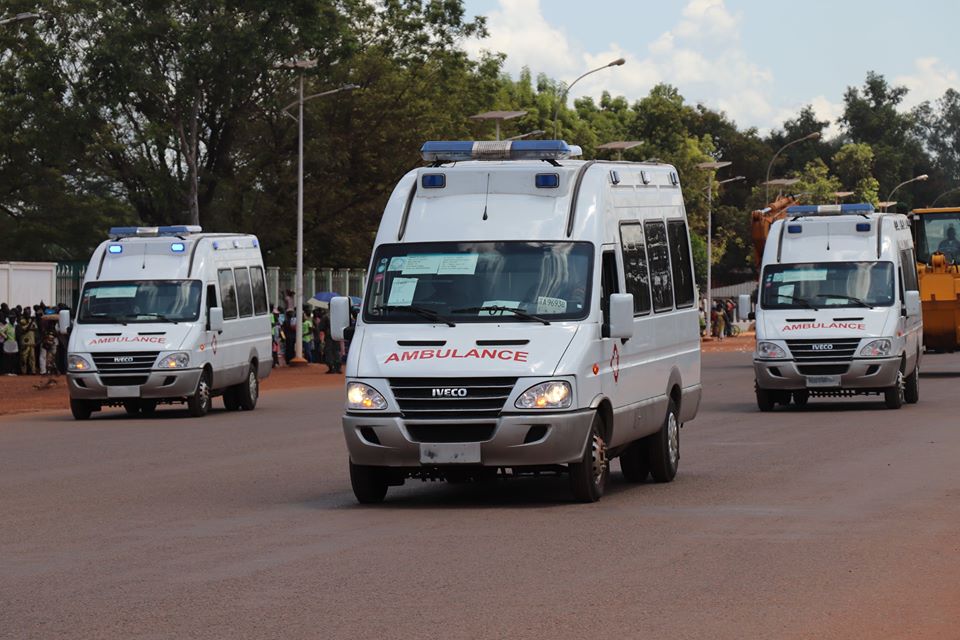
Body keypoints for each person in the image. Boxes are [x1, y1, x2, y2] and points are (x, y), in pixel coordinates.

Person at [18, 310, 38, 375]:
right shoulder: (22, 321)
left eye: (29, 313)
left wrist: (30, 325)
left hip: (32, 341)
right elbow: (25, 330)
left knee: (32, 358)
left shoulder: (31, 321)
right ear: (24, 314)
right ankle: (23, 371)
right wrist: (31, 323)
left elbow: (35, 328)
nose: (28, 315)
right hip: (24, 342)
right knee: (24, 358)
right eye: (27, 314)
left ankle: (33, 371)